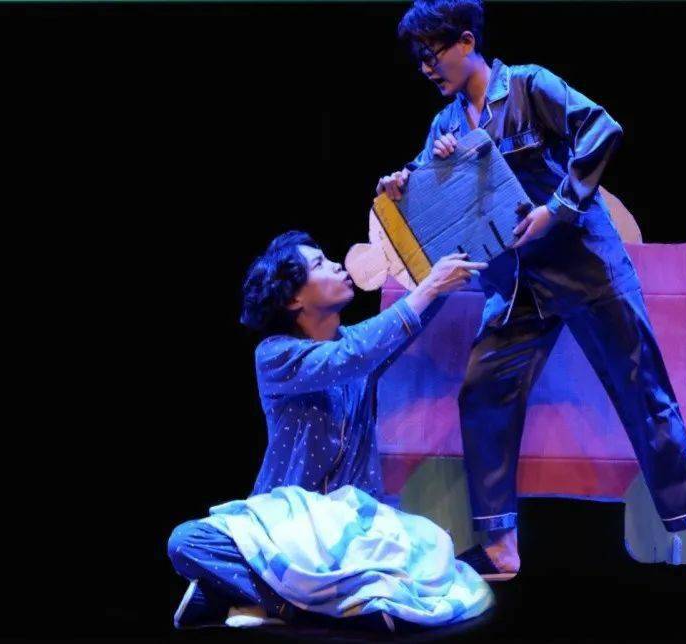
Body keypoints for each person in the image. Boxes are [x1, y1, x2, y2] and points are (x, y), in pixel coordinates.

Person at [376, 0, 686, 607]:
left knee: (645, 393)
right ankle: (501, 547)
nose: (425, 67)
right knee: (482, 389)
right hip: (518, 285)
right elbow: (430, 203)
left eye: (432, 53)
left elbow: (602, 128)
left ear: (466, 41)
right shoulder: (445, 122)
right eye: (418, 59)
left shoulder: (527, 85)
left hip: (586, 265)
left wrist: (561, 207)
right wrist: (405, 183)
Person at [168, 231, 489, 628]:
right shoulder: (275, 356)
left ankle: (263, 602)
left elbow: (404, 323)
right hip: (289, 533)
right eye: (319, 264)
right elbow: (352, 356)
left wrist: (432, 231)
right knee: (186, 541)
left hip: (352, 532)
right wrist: (429, 287)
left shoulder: (360, 344)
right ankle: (310, 607)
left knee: (436, 546)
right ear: (293, 299)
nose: (337, 265)